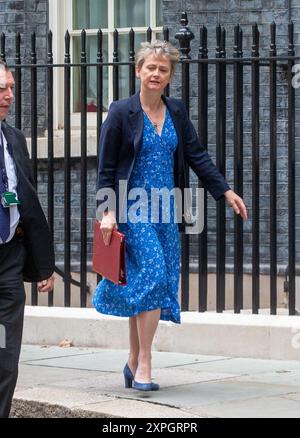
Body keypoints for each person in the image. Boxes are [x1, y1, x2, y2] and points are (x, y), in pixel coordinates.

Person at [93, 41, 248, 392]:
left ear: (169, 76)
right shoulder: (121, 112)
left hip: (168, 209)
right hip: (132, 209)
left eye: (163, 70)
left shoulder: (176, 112)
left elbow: (197, 156)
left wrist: (225, 191)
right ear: (138, 70)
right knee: (153, 273)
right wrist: (107, 212)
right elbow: (106, 169)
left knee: (149, 282)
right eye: (150, 68)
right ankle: (146, 361)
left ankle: (132, 361)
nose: (155, 74)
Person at [0, 61, 55, 418]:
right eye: (1, 89)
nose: (8, 96)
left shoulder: (15, 139)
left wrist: (43, 264)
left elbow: (28, 199)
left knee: (5, 357)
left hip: (8, 261)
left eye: (10, 88)